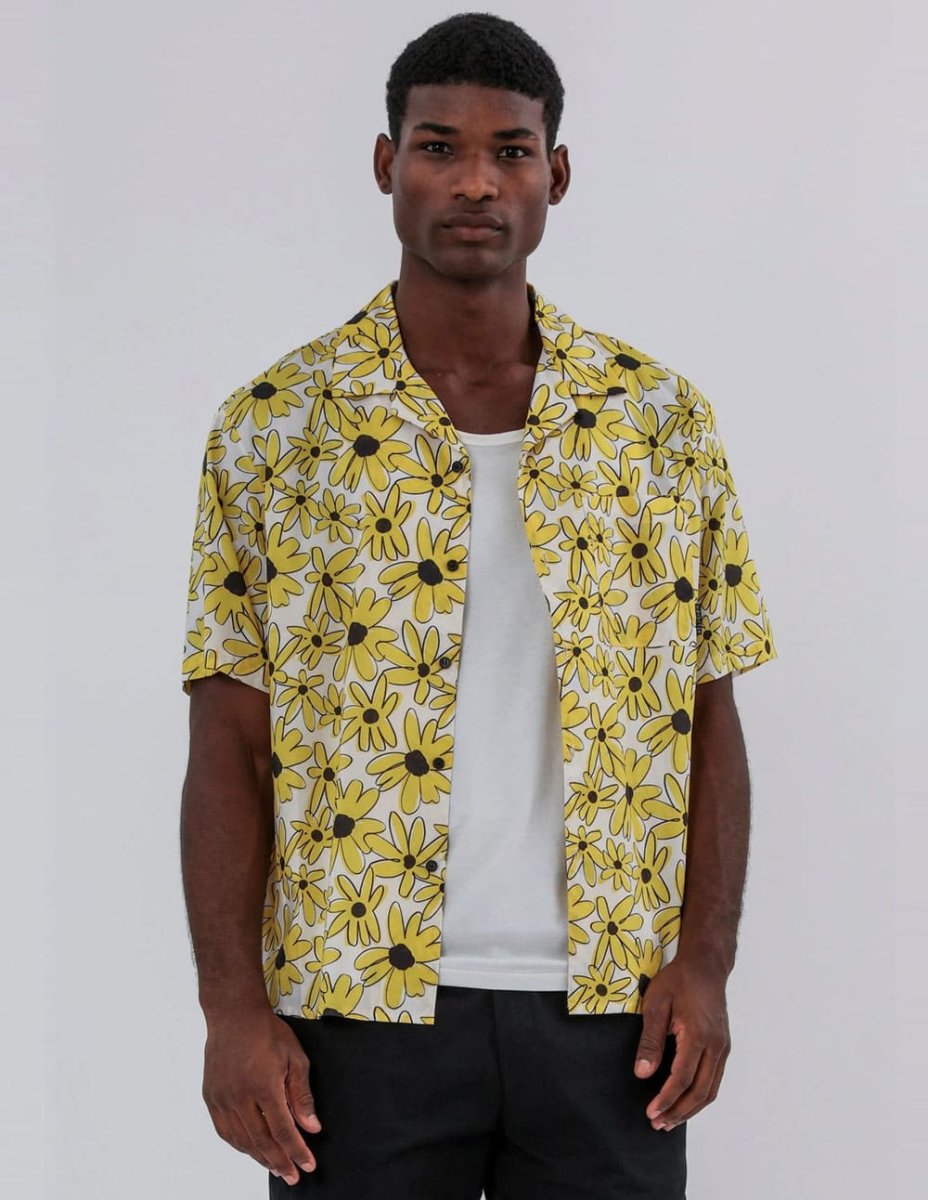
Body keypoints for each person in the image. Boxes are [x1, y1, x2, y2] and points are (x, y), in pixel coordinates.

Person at [179, 11, 778, 1198]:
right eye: (438, 146)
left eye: (510, 151)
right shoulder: (275, 427)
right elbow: (228, 743)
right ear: (384, 164)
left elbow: (709, 718)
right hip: (356, 1007)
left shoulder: (658, 423)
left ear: (557, 174)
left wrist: (704, 964)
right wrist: (231, 1009)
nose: (474, 182)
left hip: (611, 1014)